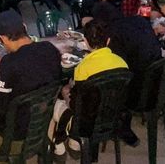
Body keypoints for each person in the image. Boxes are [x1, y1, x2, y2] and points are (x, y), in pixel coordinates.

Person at [0, 10, 61, 163]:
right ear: (25, 27)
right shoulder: (50, 49)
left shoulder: (9, 62)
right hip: (43, 123)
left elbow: (0, 106)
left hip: (15, 133)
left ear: (3, 38)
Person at [49, 20, 129, 158]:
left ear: (85, 41)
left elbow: (76, 103)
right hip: (113, 115)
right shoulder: (121, 62)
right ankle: (74, 144)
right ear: (108, 41)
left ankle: (59, 147)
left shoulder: (83, 67)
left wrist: (65, 90)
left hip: (87, 122)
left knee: (54, 102)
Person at [95, 3, 162, 146]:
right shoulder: (138, 20)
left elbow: (117, 67)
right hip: (158, 82)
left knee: (104, 83)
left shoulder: (114, 32)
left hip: (140, 93)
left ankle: (119, 128)